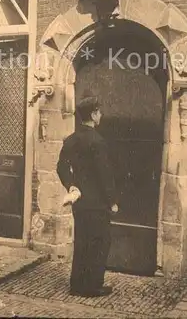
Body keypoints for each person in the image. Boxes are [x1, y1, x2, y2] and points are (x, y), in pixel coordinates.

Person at [57, 96, 117, 297]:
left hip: (80, 201)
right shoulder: (97, 141)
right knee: (100, 242)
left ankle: (77, 285)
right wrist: (112, 201)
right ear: (93, 114)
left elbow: (61, 167)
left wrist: (71, 185)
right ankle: (92, 286)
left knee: (82, 242)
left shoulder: (71, 139)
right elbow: (105, 175)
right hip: (98, 203)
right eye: (99, 112)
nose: (101, 115)